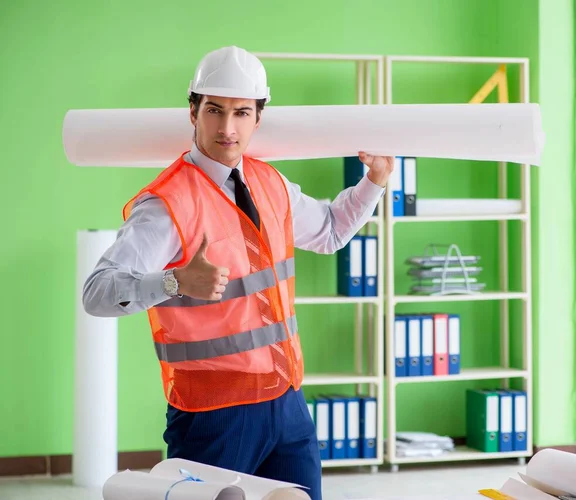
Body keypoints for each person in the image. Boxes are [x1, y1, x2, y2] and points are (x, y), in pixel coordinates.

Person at [82, 45, 394, 500]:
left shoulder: (271, 183)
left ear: (257, 118)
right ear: (193, 112)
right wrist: (174, 281)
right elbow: (97, 293)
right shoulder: (167, 205)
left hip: (285, 400)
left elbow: (329, 231)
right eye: (214, 111)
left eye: (241, 113)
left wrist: (375, 181)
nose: (227, 128)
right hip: (214, 414)